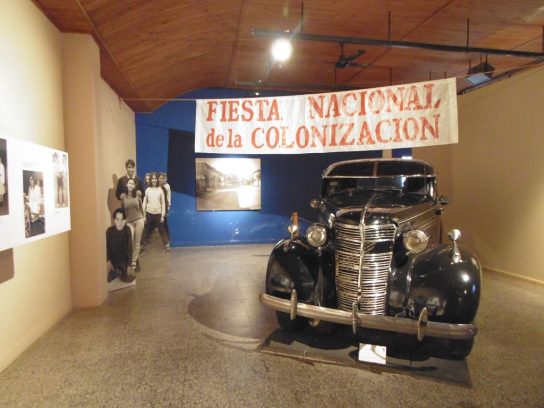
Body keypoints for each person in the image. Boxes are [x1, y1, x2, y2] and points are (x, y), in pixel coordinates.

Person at [141, 172, 170, 251]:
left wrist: (162, 215)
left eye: (155, 179)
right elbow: (145, 203)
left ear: (157, 180)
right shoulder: (147, 190)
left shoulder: (160, 190)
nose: (154, 180)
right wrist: (143, 215)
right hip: (149, 213)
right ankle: (141, 245)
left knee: (161, 229)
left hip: (158, 214)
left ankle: (166, 244)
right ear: (150, 180)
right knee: (147, 229)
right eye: (152, 179)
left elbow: (163, 204)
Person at [122, 178, 145, 270]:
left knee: (137, 241)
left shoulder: (137, 196)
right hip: (129, 222)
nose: (131, 185)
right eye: (129, 183)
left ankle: (134, 261)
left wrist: (144, 217)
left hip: (139, 220)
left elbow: (141, 208)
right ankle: (129, 258)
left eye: (132, 183)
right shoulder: (123, 197)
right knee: (130, 240)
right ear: (127, 185)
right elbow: (123, 210)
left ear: (134, 186)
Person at [106, 208, 134, 283]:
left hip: (123, 260)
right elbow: (107, 248)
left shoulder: (127, 230)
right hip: (113, 260)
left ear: (125, 220)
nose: (120, 222)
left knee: (129, 278)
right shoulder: (109, 231)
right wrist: (108, 261)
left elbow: (130, 248)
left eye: (122, 219)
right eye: (117, 219)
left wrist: (129, 265)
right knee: (108, 279)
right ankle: (116, 272)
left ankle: (120, 272)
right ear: (114, 220)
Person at [158, 172, 171, 242]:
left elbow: (167, 200)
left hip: (164, 210)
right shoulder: (155, 187)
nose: (161, 180)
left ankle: (167, 240)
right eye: (160, 178)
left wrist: (166, 211)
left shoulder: (165, 188)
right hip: (157, 210)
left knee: (165, 225)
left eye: (163, 178)